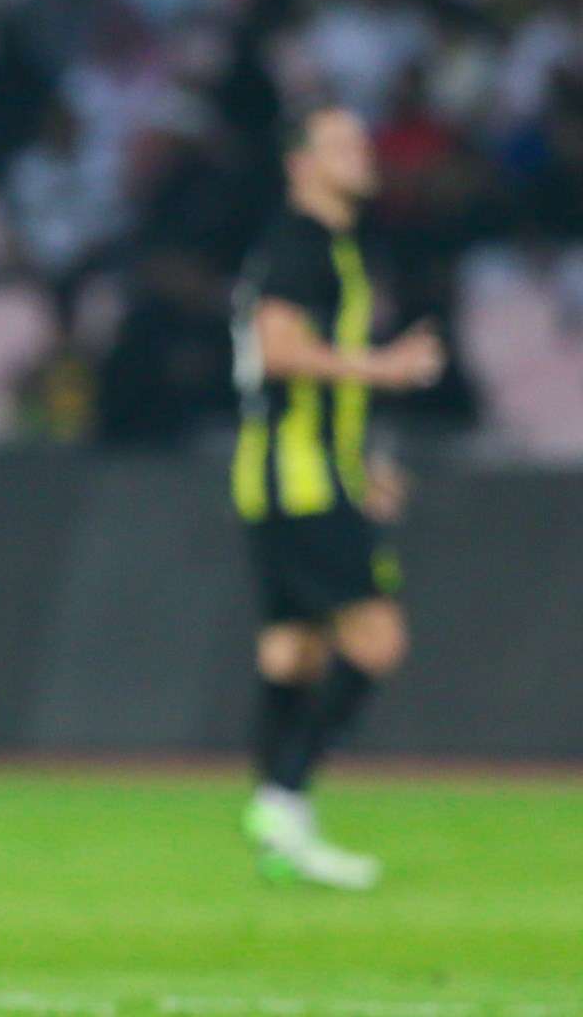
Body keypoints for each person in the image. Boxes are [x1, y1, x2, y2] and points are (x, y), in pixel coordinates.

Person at [230, 106, 444, 890]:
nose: (362, 154)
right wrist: (383, 369)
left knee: (293, 650)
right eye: (341, 145)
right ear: (300, 165)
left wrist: (362, 465)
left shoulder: (330, 244)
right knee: (377, 639)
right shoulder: (301, 243)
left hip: (297, 472)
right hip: (300, 477)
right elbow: (280, 350)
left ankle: (279, 821)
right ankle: (284, 798)